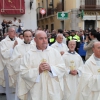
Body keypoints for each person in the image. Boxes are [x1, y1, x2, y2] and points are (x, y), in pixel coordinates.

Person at [18, 30, 66, 100]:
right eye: (41, 38)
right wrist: (37, 71)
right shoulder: (29, 54)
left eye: (45, 38)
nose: (44, 40)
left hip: (52, 89)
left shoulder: (54, 52)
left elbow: (62, 68)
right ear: (35, 40)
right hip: (37, 90)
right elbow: (23, 72)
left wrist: (51, 69)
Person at [10, 30, 35, 100]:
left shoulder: (35, 46)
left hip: (32, 74)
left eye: (30, 36)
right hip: (22, 74)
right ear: (23, 37)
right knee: (21, 92)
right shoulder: (18, 47)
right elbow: (13, 61)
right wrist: (25, 59)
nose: (28, 38)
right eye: (26, 36)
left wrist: (23, 58)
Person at [0, 26, 22, 100]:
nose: (14, 32)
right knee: (9, 87)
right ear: (8, 32)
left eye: (15, 31)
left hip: (18, 66)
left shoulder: (19, 40)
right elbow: (4, 54)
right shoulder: (3, 42)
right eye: (12, 31)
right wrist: (13, 47)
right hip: (8, 67)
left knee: (18, 86)